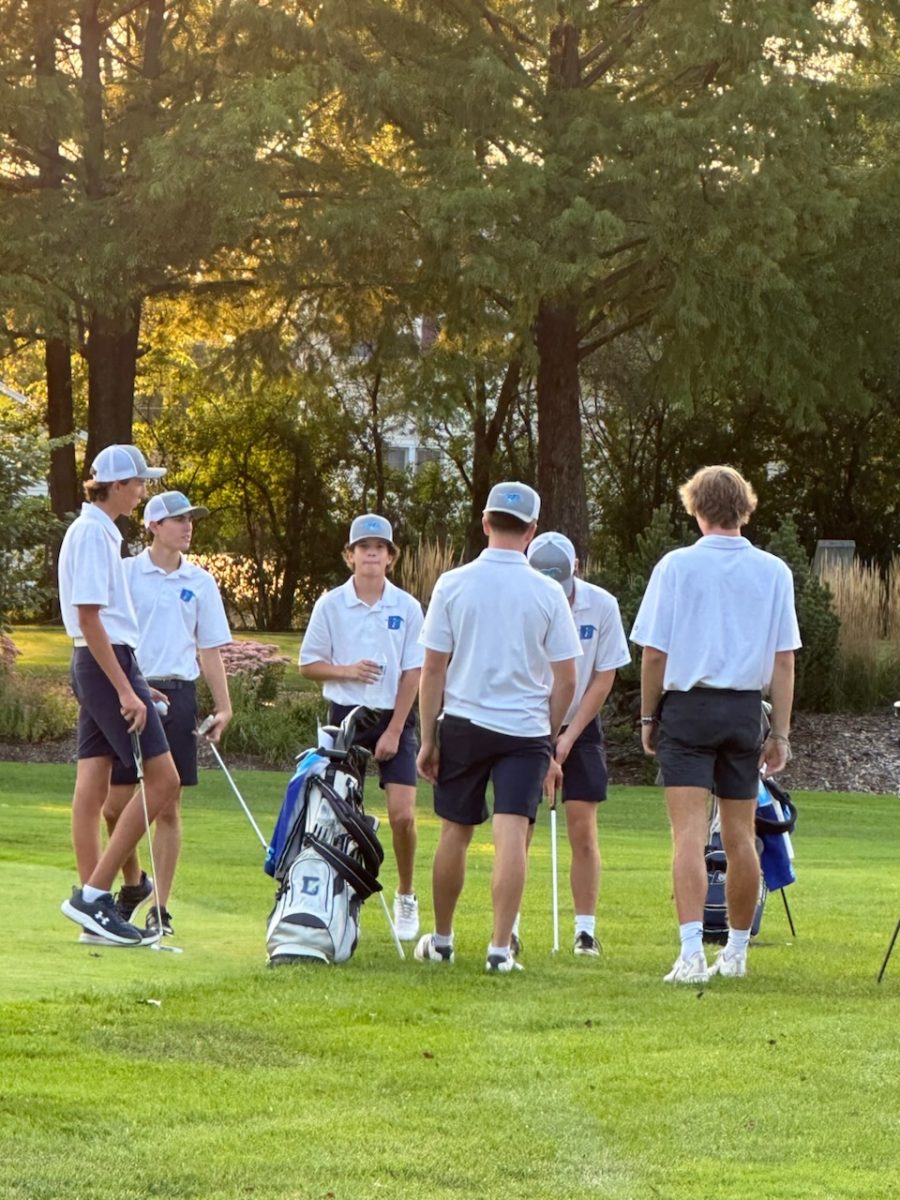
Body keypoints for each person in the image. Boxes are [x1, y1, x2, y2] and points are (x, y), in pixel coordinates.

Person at [630, 465, 801, 983]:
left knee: (686, 835)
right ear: (744, 508)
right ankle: (737, 951)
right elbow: (785, 661)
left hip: (689, 706)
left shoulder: (676, 566)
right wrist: (782, 732)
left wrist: (647, 715)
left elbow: (654, 654)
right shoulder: (774, 570)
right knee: (741, 835)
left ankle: (690, 954)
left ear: (696, 508)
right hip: (745, 709)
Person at [415, 482, 581, 973]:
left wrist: (428, 738)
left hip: (464, 722)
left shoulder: (452, 583)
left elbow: (432, 669)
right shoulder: (549, 591)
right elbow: (567, 676)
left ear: (485, 522)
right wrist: (550, 736)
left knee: (454, 833)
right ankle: (498, 948)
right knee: (512, 835)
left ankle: (443, 939)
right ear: (531, 531)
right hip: (525, 731)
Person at [57, 444, 181, 946]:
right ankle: (94, 896)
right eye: (139, 482)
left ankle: (95, 913)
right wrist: (125, 688)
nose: (143, 490)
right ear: (117, 486)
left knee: (92, 783)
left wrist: (134, 680)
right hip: (102, 661)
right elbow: (89, 617)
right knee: (164, 780)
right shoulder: (91, 533)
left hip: (105, 662)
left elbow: (103, 624)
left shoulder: (99, 532)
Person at [102, 490, 233, 939]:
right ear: (153, 526)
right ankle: (134, 883)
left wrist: (223, 705)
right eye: (178, 519)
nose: (187, 526)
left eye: (190, 519)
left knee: (168, 805)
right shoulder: (123, 574)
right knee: (114, 808)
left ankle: (161, 908)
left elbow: (210, 647)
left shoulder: (201, 582)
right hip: (132, 692)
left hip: (177, 695)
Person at [299, 514, 424, 940]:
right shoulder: (330, 604)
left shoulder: (406, 607)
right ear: (350, 555)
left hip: (394, 716)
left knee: (402, 815)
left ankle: (406, 894)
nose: (371, 553)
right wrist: (347, 670)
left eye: (380, 547)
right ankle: (339, 897)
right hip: (345, 717)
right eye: (363, 547)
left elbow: (413, 673)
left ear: (390, 556)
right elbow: (308, 665)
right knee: (339, 817)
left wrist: (394, 731)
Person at [525, 531, 631, 957]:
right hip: (527, 722)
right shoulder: (521, 600)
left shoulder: (601, 605)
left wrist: (567, 737)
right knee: (520, 828)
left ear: (577, 571)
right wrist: (547, 738)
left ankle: (585, 932)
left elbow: (603, 677)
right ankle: (508, 930)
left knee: (583, 829)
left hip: (581, 725)